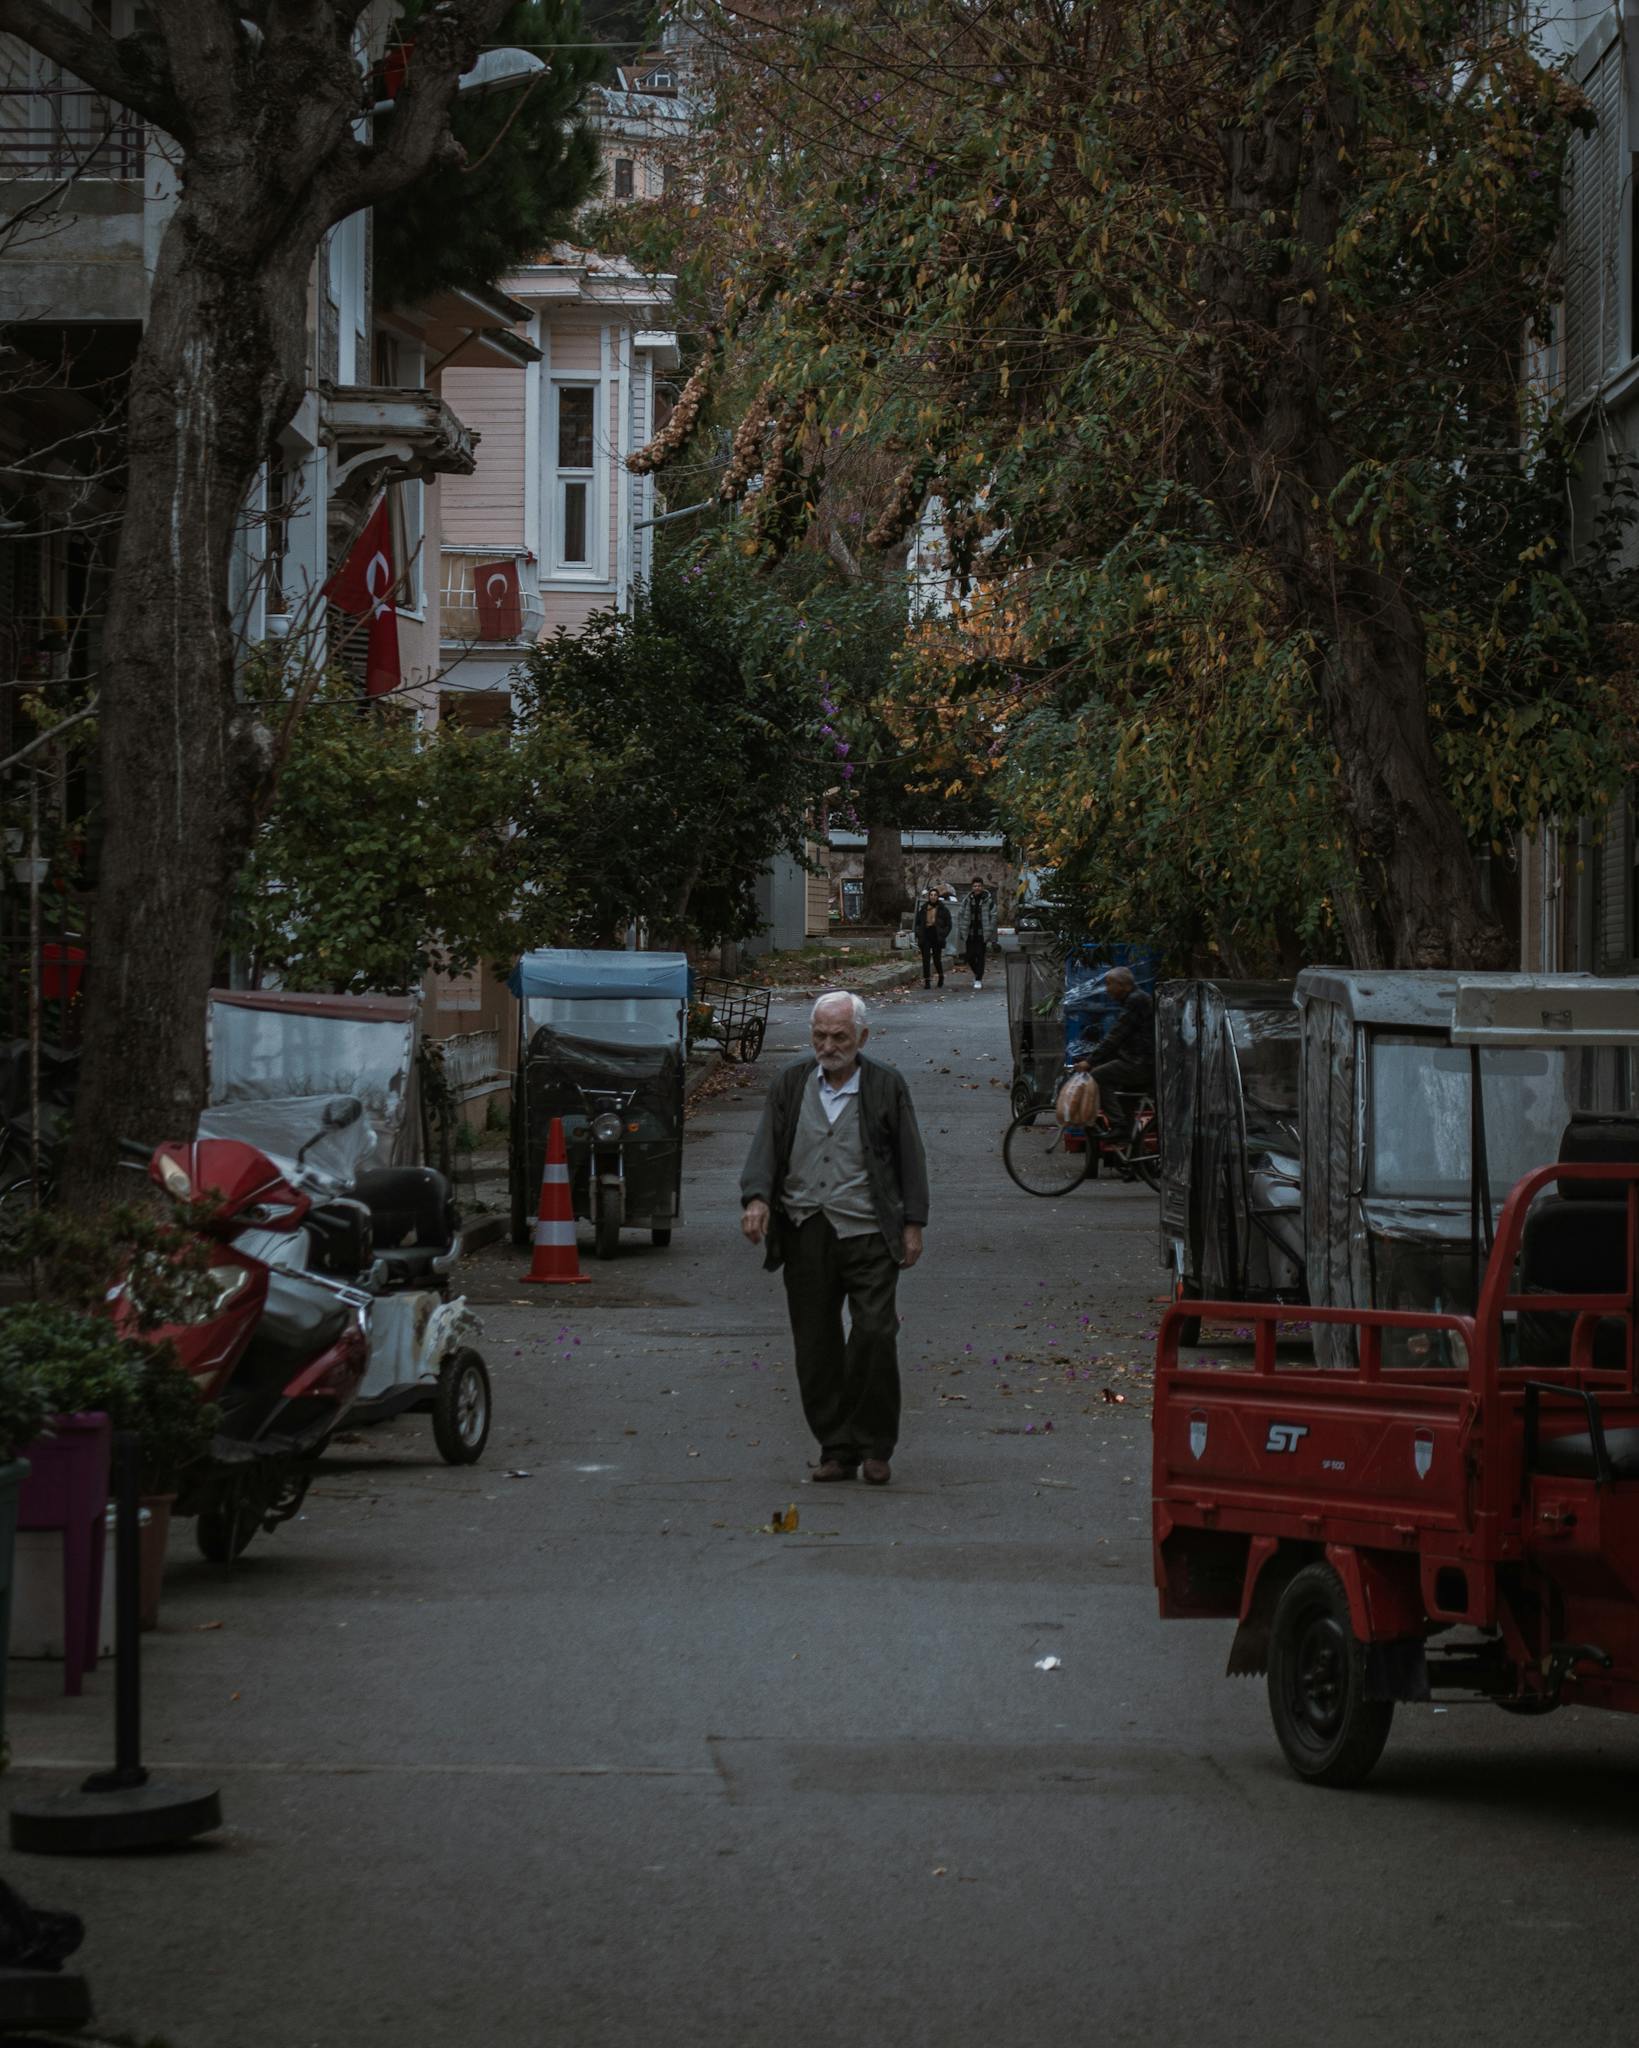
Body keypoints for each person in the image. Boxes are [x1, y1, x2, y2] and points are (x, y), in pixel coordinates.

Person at [740, 991, 929, 1486]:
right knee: (816, 1344)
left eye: (839, 1036)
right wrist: (757, 1199)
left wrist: (913, 1224)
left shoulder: (885, 1086)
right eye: (820, 1036)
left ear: (862, 1037)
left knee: (874, 1333)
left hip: (868, 1232)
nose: (828, 1045)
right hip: (806, 1230)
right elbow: (766, 1146)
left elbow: (911, 1157)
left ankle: (875, 1444)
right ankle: (836, 1447)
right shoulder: (791, 1084)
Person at [1075, 966, 1155, 1129]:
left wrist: (1090, 1062)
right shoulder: (1134, 998)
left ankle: (1118, 1125)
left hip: (1139, 1062)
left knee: (1097, 1077)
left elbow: (1116, 1035)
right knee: (1123, 1097)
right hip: (1138, 1060)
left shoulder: (1136, 1000)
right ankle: (1127, 1138)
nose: (1107, 989)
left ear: (1124, 985)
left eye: (1110, 984)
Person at [954, 875, 997, 990]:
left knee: (980, 956)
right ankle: (978, 973)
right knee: (970, 957)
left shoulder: (988, 900)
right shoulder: (967, 900)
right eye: (975, 886)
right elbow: (960, 914)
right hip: (969, 934)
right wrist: (961, 927)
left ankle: (978, 979)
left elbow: (993, 915)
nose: (977, 888)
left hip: (982, 934)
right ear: (972, 887)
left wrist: (990, 928)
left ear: (982, 887)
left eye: (979, 886)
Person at [914, 887, 952, 988]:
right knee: (925, 959)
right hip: (925, 934)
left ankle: (941, 976)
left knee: (936, 959)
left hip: (937, 935)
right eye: (931, 895)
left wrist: (943, 933)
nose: (933, 897)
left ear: (938, 897)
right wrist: (918, 933)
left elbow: (948, 924)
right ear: (929, 896)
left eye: (935, 895)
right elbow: (917, 923)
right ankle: (927, 981)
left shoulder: (943, 909)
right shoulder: (923, 908)